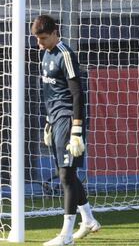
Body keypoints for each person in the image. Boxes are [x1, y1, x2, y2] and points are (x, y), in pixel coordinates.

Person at [31, 14, 101, 245]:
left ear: (54, 33)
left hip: (69, 120)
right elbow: (52, 93)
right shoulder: (46, 54)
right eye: (37, 39)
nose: (39, 43)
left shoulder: (65, 54)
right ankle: (89, 220)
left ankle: (66, 235)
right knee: (68, 173)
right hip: (56, 120)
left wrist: (77, 129)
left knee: (66, 176)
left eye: (43, 38)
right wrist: (49, 121)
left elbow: (77, 93)